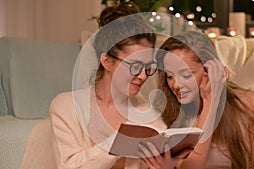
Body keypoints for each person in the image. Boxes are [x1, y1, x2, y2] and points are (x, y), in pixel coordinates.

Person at [50, 2, 190, 169]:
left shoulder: (148, 112)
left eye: (147, 68)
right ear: (107, 62)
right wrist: (118, 141)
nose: (143, 76)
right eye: (135, 66)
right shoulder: (66, 107)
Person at [142, 30, 254, 169]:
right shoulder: (170, 113)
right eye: (170, 76)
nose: (175, 85)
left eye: (186, 75)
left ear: (211, 71)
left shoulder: (250, 103)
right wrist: (210, 102)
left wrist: (213, 99)